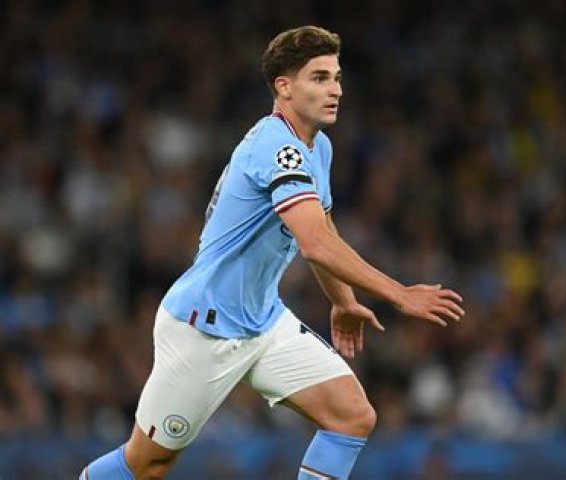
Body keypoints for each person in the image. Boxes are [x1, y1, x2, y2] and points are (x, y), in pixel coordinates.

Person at [80, 25, 464, 480]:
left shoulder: (317, 147)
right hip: (207, 326)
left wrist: (342, 300)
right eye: (319, 78)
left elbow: (323, 228)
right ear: (284, 87)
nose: (336, 90)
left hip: (263, 319)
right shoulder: (274, 146)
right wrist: (399, 294)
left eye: (337, 77)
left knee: (351, 415)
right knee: (146, 465)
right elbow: (314, 244)